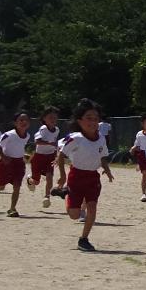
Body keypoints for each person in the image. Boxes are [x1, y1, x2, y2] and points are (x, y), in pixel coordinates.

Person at [58, 99, 114, 251]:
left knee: (92, 207)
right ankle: (66, 193)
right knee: (74, 215)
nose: (93, 122)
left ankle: (84, 239)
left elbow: (103, 156)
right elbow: (61, 155)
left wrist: (107, 169)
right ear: (79, 121)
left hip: (93, 178)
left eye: (96, 118)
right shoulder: (75, 138)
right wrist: (63, 176)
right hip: (76, 177)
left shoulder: (101, 138)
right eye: (89, 118)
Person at [0, 111, 33, 217]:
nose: (24, 122)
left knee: (17, 186)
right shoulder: (9, 135)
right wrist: (4, 157)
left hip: (19, 164)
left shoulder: (27, 135)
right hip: (6, 163)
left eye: (26, 120)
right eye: (21, 120)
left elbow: (21, 147)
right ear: (15, 123)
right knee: (1, 187)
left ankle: (12, 208)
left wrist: (25, 155)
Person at [30, 108, 63, 207]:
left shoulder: (57, 130)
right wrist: (50, 143)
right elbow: (37, 141)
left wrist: (57, 156)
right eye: (50, 117)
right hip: (39, 156)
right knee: (36, 182)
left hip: (50, 156)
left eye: (55, 117)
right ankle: (29, 180)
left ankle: (47, 197)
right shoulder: (43, 128)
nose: (53, 119)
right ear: (44, 119)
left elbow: (56, 144)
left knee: (49, 177)